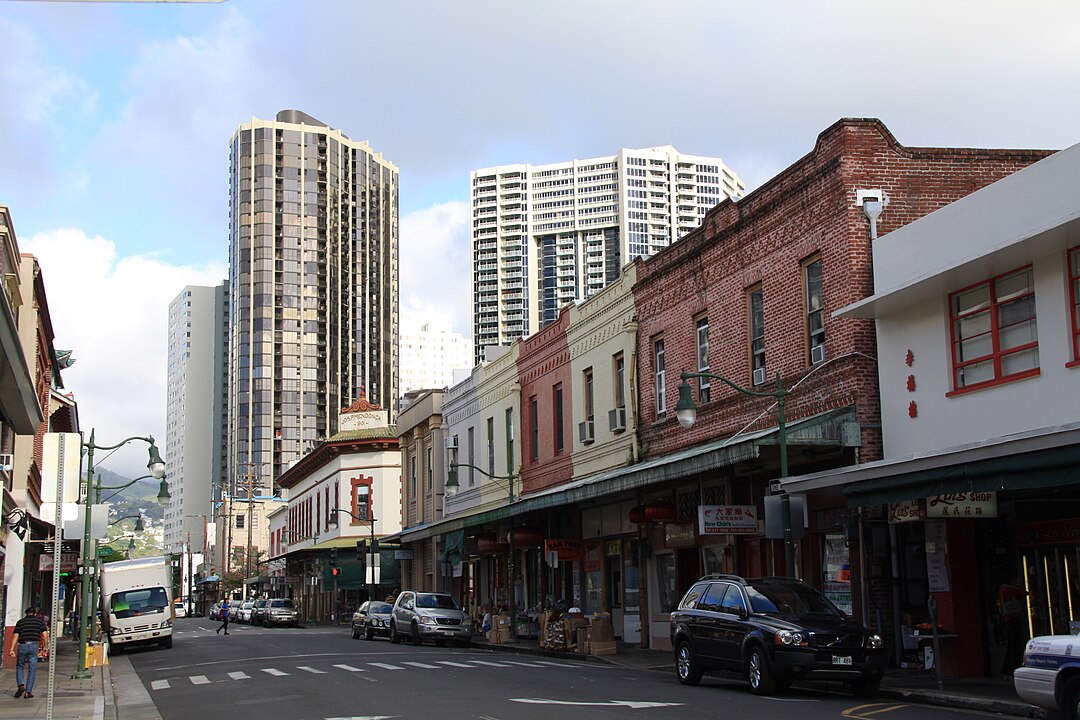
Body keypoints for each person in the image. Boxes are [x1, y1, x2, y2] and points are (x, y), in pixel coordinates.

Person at [9, 606, 49, 699]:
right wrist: (46, 646)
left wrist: (12, 649)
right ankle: (28, 692)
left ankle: (21, 685)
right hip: (34, 645)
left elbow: (15, 636)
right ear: (35, 614)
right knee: (32, 668)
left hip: (22, 645)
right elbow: (45, 634)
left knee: (20, 666)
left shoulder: (20, 622)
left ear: (25, 613)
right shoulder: (39, 622)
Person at [999, 575, 1029, 677]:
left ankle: (1007, 672)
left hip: (1008, 619)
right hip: (1013, 618)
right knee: (1014, 646)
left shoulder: (1003, 589)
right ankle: (1011, 670)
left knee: (1011, 645)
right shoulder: (1009, 589)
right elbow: (1023, 593)